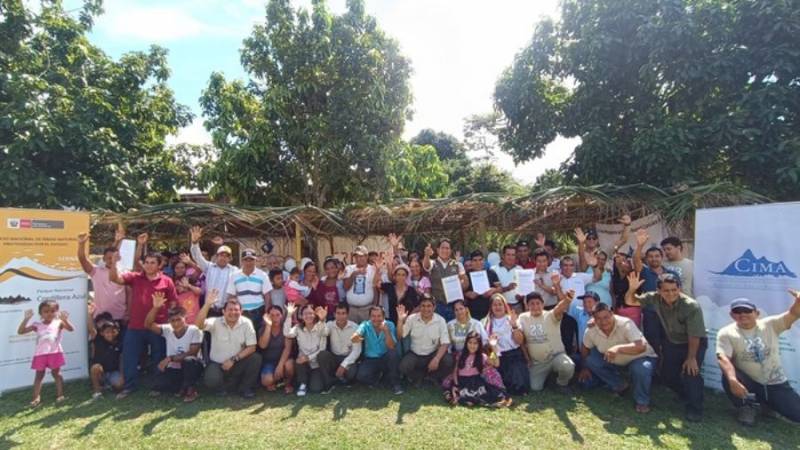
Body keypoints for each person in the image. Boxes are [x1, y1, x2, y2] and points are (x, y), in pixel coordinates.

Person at [626, 271, 707, 422]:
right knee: (667, 376)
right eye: (666, 290)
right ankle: (685, 394)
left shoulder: (691, 306)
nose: (671, 294)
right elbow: (631, 301)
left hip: (694, 342)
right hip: (673, 342)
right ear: (659, 291)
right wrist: (631, 289)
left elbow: (694, 334)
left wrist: (691, 358)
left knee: (691, 373)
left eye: (674, 290)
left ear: (679, 288)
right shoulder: (654, 298)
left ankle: (695, 408)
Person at [109, 233, 178, 398]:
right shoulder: (135, 277)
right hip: (135, 325)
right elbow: (114, 278)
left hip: (157, 326)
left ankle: (157, 386)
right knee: (130, 357)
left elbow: (174, 303)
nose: (148, 265)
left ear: (159, 265)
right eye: (146, 262)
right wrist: (113, 263)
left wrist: (168, 319)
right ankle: (129, 387)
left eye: (152, 263)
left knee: (158, 356)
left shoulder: (167, 281)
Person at [716, 294, 800, 426]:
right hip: (750, 383)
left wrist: (799, 301)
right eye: (738, 311)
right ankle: (746, 407)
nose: (742, 314)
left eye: (747, 311)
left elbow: (794, 314)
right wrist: (732, 380)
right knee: (728, 375)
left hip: (776, 383)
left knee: (797, 415)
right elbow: (723, 357)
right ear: (732, 315)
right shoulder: (726, 333)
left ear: (757, 313)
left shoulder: (771, 324)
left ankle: (768, 405)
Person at [578, 302, 658, 413]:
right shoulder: (591, 330)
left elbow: (641, 347)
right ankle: (619, 385)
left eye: (606, 317)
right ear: (594, 319)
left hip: (640, 357)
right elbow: (585, 348)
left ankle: (642, 401)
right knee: (591, 360)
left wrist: (618, 348)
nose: (603, 322)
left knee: (641, 368)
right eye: (599, 318)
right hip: (615, 361)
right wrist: (584, 368)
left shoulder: (626, 324)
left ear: (612, 313)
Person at [196, 292, 261, 399]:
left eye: (236, 310)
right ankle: (223, 387)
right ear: (223, 311)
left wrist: (233, 360)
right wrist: (207, 305)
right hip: (218, 364)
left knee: (256, 358)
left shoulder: (246, 323)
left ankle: (245, 388)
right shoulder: (215, 322)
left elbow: (252, 347)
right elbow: (198, 325)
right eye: (230, 310)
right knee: (211, 380)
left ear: (241, 311)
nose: (233, 312)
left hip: (237, 362)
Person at [144, 293, 204, 402]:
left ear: (185, 318)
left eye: (179, 319)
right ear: (169, 321)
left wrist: (170, 358)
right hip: (175, 368)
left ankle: (191, 390)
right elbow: (148, 324)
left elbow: (193, 353)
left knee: (189, 360)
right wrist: (156, 307)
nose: (176, 323)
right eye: (173, 320)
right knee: (158, 384)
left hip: (192, 366)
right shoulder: (167, 329)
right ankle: (182, 386)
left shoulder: (194, 330)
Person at [518, 282, 576, 394]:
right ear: (527, 305)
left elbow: (559, 308)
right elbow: (519, 336)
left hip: (556, 356)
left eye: (538, 303)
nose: (535, 306)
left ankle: (561, 383)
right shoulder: (522, 317)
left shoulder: (550, 315)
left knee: (568, 366)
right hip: (538, 362)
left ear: (543, 304)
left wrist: (568, 299)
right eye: (532, 304)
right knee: (535, 387)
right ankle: (548, 377)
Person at [17, 300, 74, 407]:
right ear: (41, 313)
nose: (49, 313)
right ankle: (36, 397)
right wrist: (26, 319)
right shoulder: (36, 325)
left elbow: (71, 329)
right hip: (40, 354)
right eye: (46, 311)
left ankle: (60, 395)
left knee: (56, 374)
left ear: (57, 311)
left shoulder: (59, 323)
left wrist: (66, 320)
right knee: (39, 375)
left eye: (53, 311)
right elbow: (20, 331)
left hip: (55, 353)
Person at [397, 297, 454, 385]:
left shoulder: (440, 320)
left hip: (432, 354)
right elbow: (400, 335)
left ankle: (432, 376)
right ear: (419, 307)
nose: (426, 309)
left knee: (448, 360)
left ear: (434, 307)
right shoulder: (412, 318)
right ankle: (420, 376)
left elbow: (445, 343)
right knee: (403, 367)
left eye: (429, 306)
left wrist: (436, 359)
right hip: (415, 354)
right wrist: (400, 320)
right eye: (423, 306)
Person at [78, 230, 129, 326]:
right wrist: (81, 244)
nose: (112, 260)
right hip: (100, 318)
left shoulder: (125, 273)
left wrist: (129, 313)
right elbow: (82, 259)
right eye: (109, 258)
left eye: (114, 257)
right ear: (104, 259)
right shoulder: (96, 271)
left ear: (119, 258)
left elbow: (130, 294)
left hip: (120, 317)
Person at [448, 332, 511, 408]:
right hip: (462, 381)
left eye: (475, 343)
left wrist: (493, 347)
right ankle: (464, 400)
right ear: (466, 343)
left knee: (487, 395)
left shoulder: (482, 356)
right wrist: (456, 384)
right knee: (458, 394)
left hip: (475, 382)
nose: (472, 346)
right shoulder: (461, 354)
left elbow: (496, 363)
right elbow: (455, 371)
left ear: (479, 345)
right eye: (470, 343)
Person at [482, 294, 529, 395]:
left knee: (518, 385)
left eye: (500, 304)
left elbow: (519, 341)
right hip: (495, 355)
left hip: (513, 355)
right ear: (491, 307)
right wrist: (491, 345)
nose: (498, 307)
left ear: (504, 306)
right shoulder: (486, 322)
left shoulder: (511, 319)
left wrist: (514, 326)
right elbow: (486, 347)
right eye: (495, 305)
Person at [352, 306, 404, 395]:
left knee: (393, 353)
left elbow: (391, 346)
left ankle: (396, 384)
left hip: (385, 357)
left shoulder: (389, 324)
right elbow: (355, 335)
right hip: (371, 359)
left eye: (379, 316)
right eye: (373, 316)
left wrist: (386, 331)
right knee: (361, 376)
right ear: (369, 317)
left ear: (384, 317)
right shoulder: (365, 324)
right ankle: (380, 380)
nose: (376, 319)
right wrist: (356, 337)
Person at [189, 225, 238, 314]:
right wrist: (195, 243)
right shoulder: (208, 267)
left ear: (230, 259)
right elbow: (197, 257)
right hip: (209, 309)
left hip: (225, 311)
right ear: (216, 256)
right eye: (221, 255)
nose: (223, 258)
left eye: (226, 256)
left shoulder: (234, 270)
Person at [285, 303, 329, 396]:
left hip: (316, 363)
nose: (308, 316)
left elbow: (322, 348)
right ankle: (302, 384)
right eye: (305, 313)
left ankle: (312, 380)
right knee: (300, 360)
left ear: (315, 315)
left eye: (311, 313)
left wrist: (308, 357)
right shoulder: (298, 328)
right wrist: (289, 315)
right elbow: (287, 334)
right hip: (302, 363)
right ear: (301, 316)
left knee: (316, 388)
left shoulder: (320, 326)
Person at [422, 239, 468, 322]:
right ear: (438, 250)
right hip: (438, 305)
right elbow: (426, 266)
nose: (445, 250)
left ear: (450, 250)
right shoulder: (432, 263)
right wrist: (427, 255)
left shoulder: (457, 264)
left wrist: (460, 285)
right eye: (443, 248)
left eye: (447, 248)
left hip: (454, 306)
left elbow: (465, 283)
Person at [318, 303, 361, 389]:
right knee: (322, 355)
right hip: (334, 357)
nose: (340, 316)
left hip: (348, 357)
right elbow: (323, 333)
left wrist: (343, 365)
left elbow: (357, 351)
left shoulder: (355, 327)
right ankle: (329, 382)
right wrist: (322, 320)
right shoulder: (329, 324)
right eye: (338, 313)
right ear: (334, 314)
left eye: (343, 313)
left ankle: (341, 379)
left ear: (348, 314)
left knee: (351, 373)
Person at [227, 249, 271, 331]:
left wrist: (266, 313)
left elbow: (267, 295)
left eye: (251, 260)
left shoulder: (262, 275)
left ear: (255, 260)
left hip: (259, 311)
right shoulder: (234, 275)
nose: (249, 262)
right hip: (241, 312)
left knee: (258, 337)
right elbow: (231, 296)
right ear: (242, 261)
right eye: (246, 260)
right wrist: (233, 312)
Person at [257, 305, 295, 393]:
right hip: (269, 362)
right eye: (272, 315)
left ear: (282, 316)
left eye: (278, 315)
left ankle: (288, 383)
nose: (275, 318)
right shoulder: (263, 328)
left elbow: (287, 348)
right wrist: (268, 326)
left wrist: (280, 365)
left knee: (289, 365)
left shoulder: (286, 327)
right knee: (266, 381)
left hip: (284, 360)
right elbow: (263, 346)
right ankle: (275, 380)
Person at [88, 310, 124, 400]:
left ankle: (107, 386)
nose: (110, 334)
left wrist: (122, 377)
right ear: (102, 333)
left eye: (112, 331)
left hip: (113, 372)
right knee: (95, 367)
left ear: (117, 331)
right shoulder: (98, 339)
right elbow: (91, 329)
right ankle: (97, 392)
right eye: (107, 332)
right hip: (101, 372)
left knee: (120, 386)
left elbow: (121, 360)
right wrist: (89, 314)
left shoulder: (119, 342)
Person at [344, 245, 379, 323]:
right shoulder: (349, 268)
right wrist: (354, 274)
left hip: (367, 309)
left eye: (361, 256)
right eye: (356, 256)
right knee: (353, 334)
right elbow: (346, 287)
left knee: (367, 333)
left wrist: (374, 307)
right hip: (352, 310)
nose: (358, 258)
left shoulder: (373, 269)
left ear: (366, 256)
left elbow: (375, 289)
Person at [463, 250, 501, 320]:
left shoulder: (491, 273)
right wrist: (468, 294)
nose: (478, 263)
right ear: (471, 262)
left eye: (480, 260)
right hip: (472, 313)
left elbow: (500, 288)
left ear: (483, 261)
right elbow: (462, 291)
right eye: (475, 260)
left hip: (490, 312)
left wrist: (493, 290)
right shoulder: (466, 276)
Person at [491, 245, 523, 314]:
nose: (511, 257)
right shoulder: (493, 269)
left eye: (513, 255)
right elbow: (492, 290)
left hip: (517, 305)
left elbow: (524, 288)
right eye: (508, 254)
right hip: (498, 306)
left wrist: (522, 296)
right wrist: (507, 288)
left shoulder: (520, 269)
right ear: (503, 255)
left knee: (516, 325)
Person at [172, 259, 201, 324]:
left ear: (186, 268)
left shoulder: (191, 279)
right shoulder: (171, 282)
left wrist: (188, 285)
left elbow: (199, 292)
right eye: (177, 268)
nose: (180, 270)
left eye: (182, 267)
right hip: (181, 321)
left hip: (195, 320)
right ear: (173, 269)